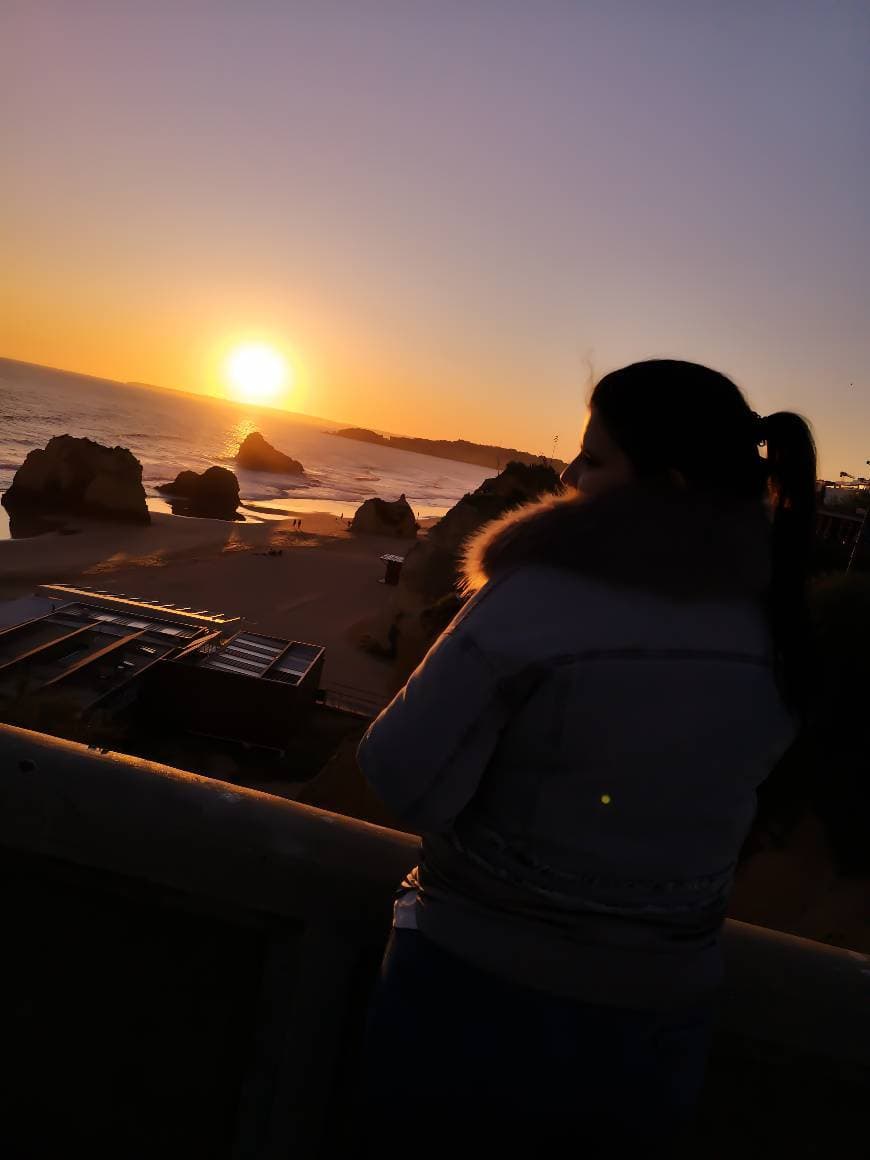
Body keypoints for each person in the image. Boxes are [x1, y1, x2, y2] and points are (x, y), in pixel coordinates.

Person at [357, 360, 816, 1155]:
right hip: (664, 1023)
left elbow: (401, 775)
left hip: (479, 1000)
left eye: (594, 459)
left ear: (665, 483)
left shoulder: (539, 594)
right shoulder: (777, 624)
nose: (568, 475)